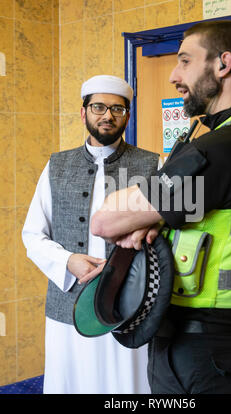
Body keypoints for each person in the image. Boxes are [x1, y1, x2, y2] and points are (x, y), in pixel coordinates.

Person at [90, 21, 231, 394]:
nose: (173, 76)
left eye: (184, 61)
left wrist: (138, 211)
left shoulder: (229, 147)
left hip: (200, 353)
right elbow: (175, 216)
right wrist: (153, 218)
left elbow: (104, 220)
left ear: (223, 64)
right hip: (208, 346)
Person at [22, 75, 159, 394]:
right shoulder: (57, 166)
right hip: (67, 305)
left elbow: (173, 232)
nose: (107, 115)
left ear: (127, 115)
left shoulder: (152, 165)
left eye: (117, 108)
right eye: (98, 106)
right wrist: (68, 261)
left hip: (129, 304)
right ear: (83, 112)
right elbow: (33, 234)